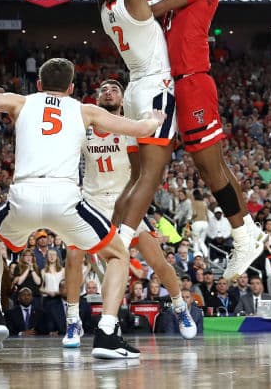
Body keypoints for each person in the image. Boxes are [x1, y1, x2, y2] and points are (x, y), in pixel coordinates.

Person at [0, 57, 165, 360]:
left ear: (38, 85)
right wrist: (154, 120)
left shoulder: (20, 101)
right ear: (72, 87)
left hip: (23, 195)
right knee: (117, 253)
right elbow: (139, 128)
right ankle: (106, 333)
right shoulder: (85, 109)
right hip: (65, 198)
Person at [85, 0, 266, 282]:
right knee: (209, 165)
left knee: (209, 165)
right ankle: (248, 232)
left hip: (193, 80)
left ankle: (244, 237)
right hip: (178, 84)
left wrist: (128, 2)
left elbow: (151, 4)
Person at [82, 0, 179, 257]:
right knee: (150, 177)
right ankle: (121, 241)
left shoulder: (107, 9)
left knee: (138, 176)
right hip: (155, 88)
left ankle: (110, 232)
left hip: (137, 89)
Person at [63, 80, 197, 350]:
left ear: (122, 100)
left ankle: (180, 305)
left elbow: (144, 170)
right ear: (97, 98)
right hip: (92, 202)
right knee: (74, 255)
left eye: (114, 89)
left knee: (157, 261)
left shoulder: (131, 128)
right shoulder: (83, 128)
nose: (108, 91)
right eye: (104, 89)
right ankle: (73, 319)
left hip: (125, 204)